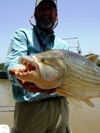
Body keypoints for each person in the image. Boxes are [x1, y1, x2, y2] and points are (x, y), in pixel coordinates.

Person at [5, 0, 72, 133]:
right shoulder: (22, 35)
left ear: (56, 15)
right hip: (31, 111)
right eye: (42, 8)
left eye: (50, 8)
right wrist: (21, 78)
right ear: (34, 14)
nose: (46, 12)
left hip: (60, 108)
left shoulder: (64, 46)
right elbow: (13, 62)